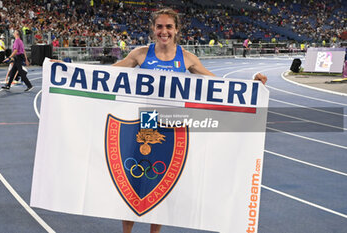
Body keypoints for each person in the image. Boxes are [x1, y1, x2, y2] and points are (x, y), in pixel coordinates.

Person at [112, 8, 267, 233]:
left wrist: (252, 85)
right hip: (146, 122)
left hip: (174, 124)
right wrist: (67, 71)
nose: (163, 31)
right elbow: (108, 73)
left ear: (176, 30)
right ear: (153, 29)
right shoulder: (141, 54)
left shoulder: (186, 58)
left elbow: (218, 85)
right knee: (135, 184)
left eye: (168, 27)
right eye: (159, 26)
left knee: (163, 185)